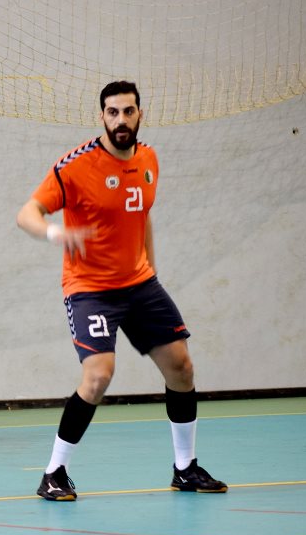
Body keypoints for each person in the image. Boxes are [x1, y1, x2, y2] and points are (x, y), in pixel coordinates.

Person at [16, 80, 227, 501]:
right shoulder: (75, 166)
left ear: (139, 114)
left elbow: (142, 214)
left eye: (128, 112)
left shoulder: (148, 159)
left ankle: (185, 468)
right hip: (90, 288)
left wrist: (150, 268)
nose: (120, 120)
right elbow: (27, 214)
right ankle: (54, 473)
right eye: (112, 113)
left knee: (181, 368)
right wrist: (57, 233)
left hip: (140, 284)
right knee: (98, 376)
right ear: (102, 117)